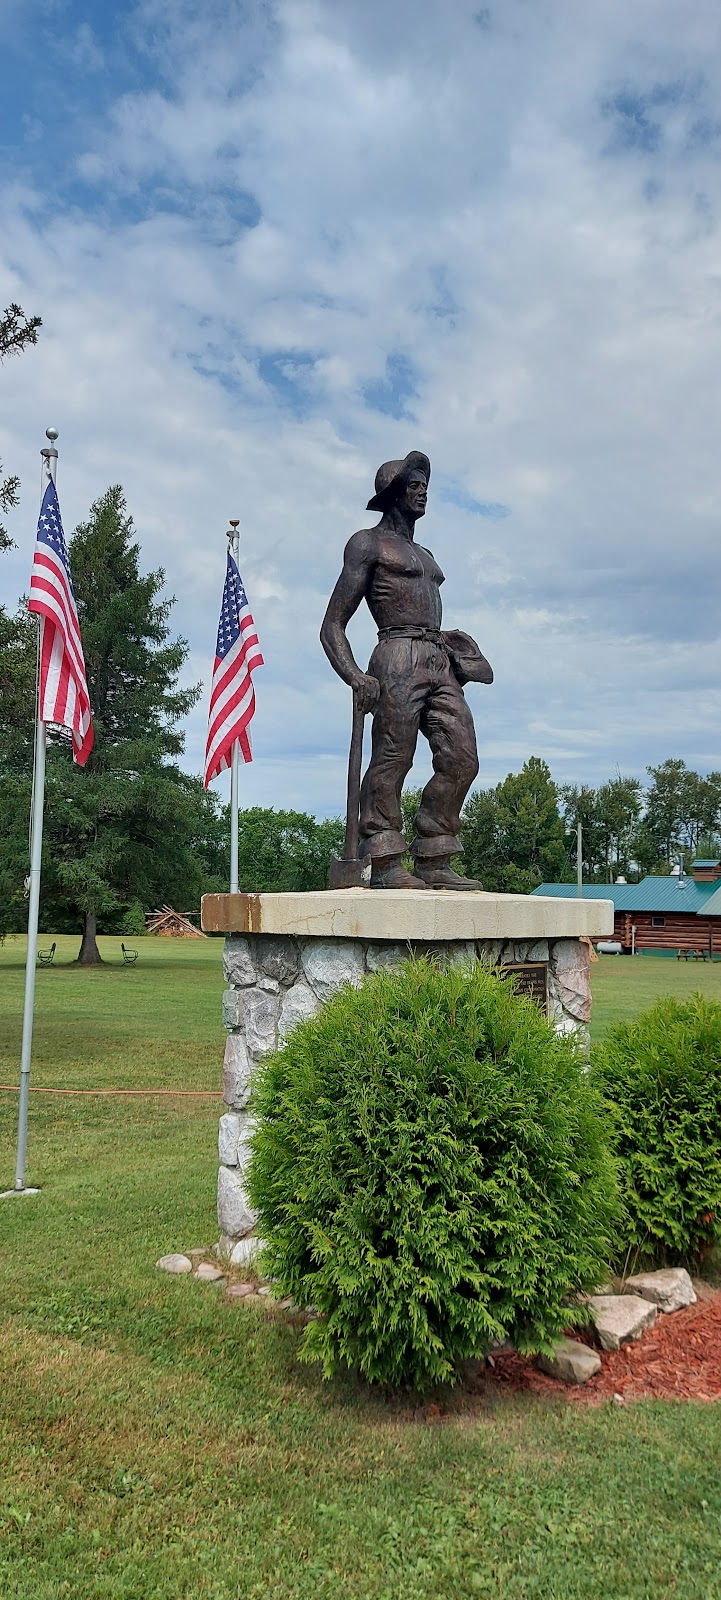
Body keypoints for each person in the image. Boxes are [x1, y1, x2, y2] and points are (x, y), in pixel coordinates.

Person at [320, 451, 493, 889]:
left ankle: (435, 856)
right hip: (395, 655)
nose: (422, 492)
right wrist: (355, 674)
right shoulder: (367, 543)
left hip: (439, 657)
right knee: (394, 756)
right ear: (392, 494)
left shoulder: (426, 554)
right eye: (413, 486)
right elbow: (332, 625)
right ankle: (383, 857)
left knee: (462, 756)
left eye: (424, 486)